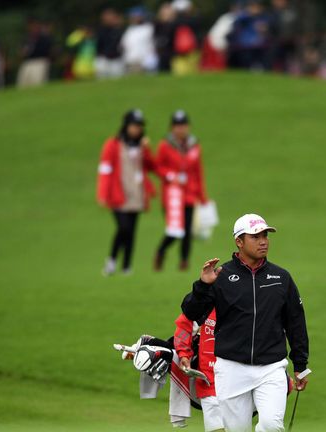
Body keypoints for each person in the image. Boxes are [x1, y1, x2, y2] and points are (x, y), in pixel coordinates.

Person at [181, 213, 309, 431]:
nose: (263, 241)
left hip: (271, 367)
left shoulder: (281, 278)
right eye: (256, 236)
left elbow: (295, 322)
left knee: (271, 425)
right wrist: (203, 285)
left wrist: (300, 365)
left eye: (265, 235)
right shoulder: (221, 276)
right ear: (239, 242)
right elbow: (191, 312)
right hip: (231, 368)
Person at [98, 109, 156, 276]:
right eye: (134, 125)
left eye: (139, 126)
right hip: (118, 194)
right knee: (123, 228)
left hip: (136, 194)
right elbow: (105, 170)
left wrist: (146, 149)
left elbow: (150, 165)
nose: (136, 129)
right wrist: (103, 193)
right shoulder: (113, 144)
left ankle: (126, 266)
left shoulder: (141, 145)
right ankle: (112, 260)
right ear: (126, 126)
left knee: (131, 231)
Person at [153, 110, 208, 271]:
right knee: (176, 230)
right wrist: (170, 176)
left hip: (189, 194)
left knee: (188, 231)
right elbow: (158, 167)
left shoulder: (194, 145)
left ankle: (184, 262)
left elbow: (198, 171)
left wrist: (202, 196)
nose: (180, 129)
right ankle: (160, 251)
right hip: (172, 196)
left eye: (183, 125)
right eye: (177, 126)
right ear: (172, 127)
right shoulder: (165, 145)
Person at [16, 17, 54, 88]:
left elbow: (48, 51)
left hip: (40, 61)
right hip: (27, 62)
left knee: (37, 84)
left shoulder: (44, 38)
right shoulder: (27, 38)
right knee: (22, 84)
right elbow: (21, 52)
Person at [121, 6, 158, 74]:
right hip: (131, 60)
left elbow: (153, 44)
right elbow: (124, 44)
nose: (136, 18)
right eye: (134, 16)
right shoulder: (129, 30)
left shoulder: (149, 28)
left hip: (145, 61)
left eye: (138, 16)